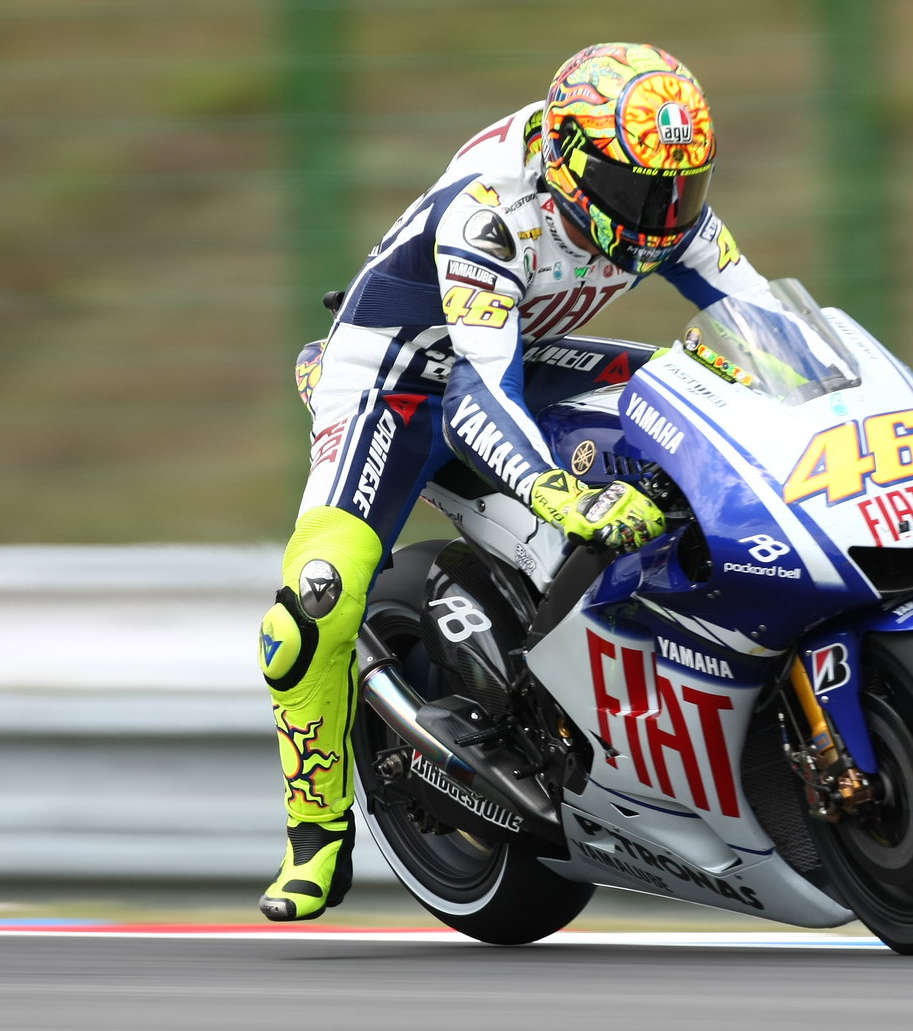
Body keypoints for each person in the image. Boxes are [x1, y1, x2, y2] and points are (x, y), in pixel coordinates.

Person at [256, 42, 781, 921]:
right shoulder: (493, 214)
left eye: (681, 187)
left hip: (522, 352)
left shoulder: (663, 209)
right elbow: (476, 396)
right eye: (641, 189)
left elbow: (764, 327)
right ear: (572, 163)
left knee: (702, 383)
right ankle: (316, 831)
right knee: (313, 602)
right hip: (397, 376)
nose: (664, 211)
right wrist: (555, 491)